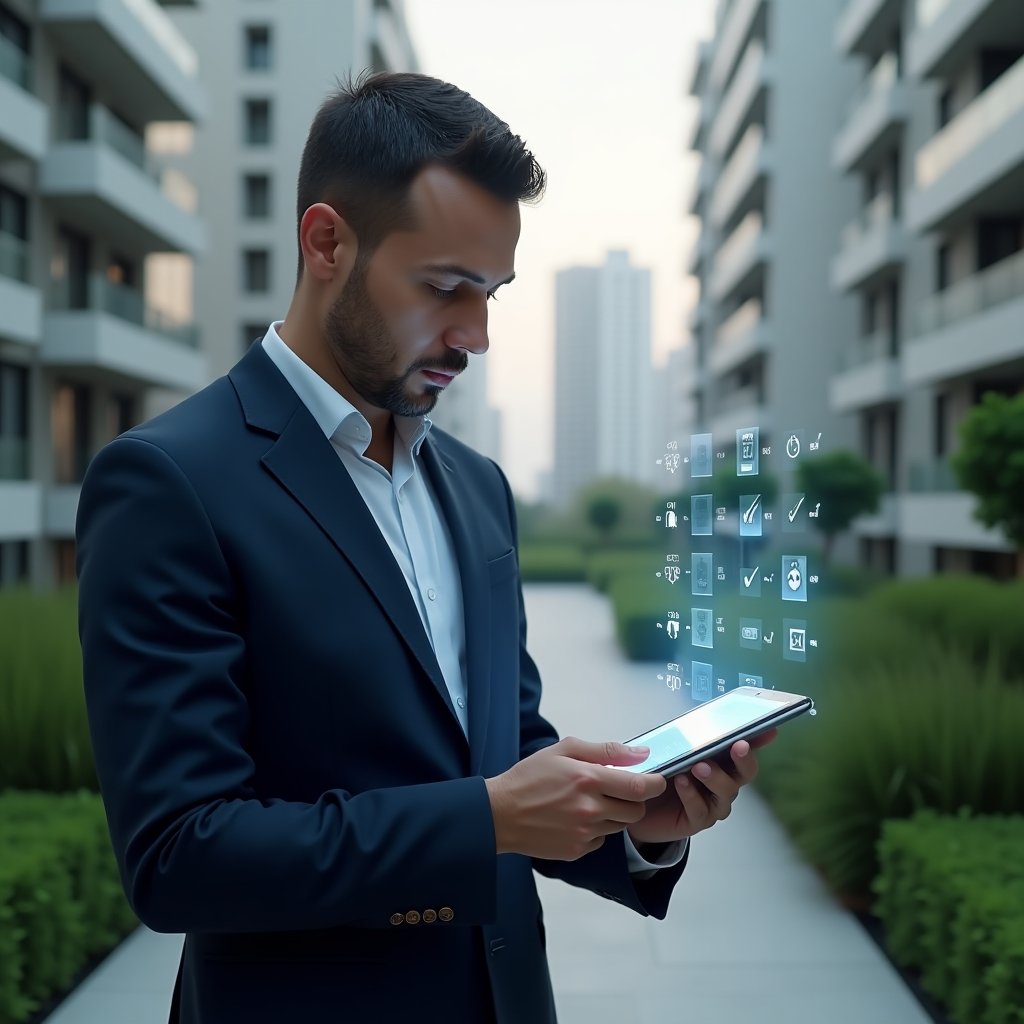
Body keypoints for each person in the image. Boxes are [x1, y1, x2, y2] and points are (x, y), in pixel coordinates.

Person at [76, 72, 773, 1024]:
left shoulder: (477, 488)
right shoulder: (169, 482)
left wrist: (634, 824)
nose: (475, 336)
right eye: (445, 288)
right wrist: (486, 819)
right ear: (327, 243)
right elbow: (179, 856)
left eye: (491, 293)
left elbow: (503, 749)